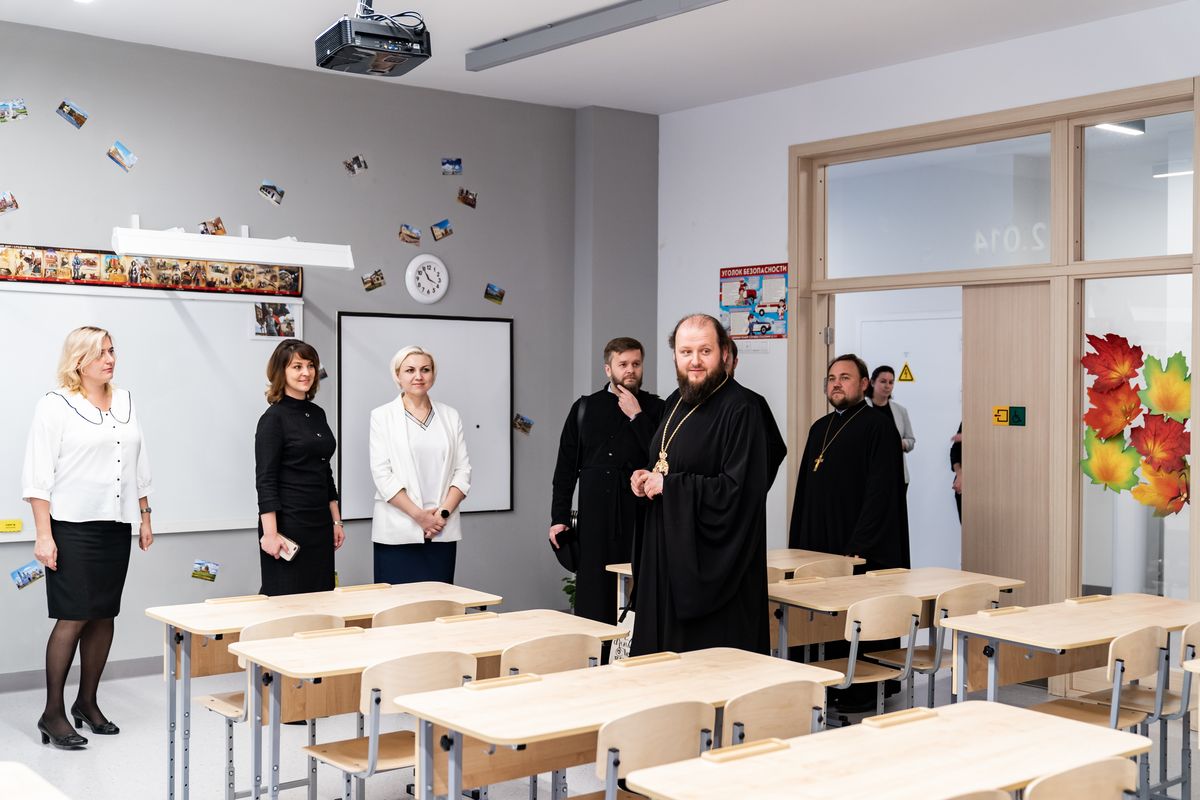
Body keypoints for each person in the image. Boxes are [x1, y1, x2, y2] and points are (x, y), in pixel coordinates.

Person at [22, 326, 154, 748]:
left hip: (115, 525)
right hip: (71, 527)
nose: (109, 359)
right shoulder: (55, 404)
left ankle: (87, 703)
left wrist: (145, 516)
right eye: (99, 353)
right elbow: (38, 476)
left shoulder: (126, 400)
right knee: (73, 616)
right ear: (78, 360)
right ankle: (52, 713)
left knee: (103, 615)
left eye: (112, 350)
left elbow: (138, 464)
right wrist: (44, 535)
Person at [629, 314, 770, 656]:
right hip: (665, 553)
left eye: (705, 351)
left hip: (711, 567)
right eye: (685, 352)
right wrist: (646, 477)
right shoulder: (676, 401)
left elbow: (740, 491)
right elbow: (666, 461)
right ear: (675, 356)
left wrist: (670, 486)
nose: (694, 361)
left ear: (724, 353)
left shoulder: (742, 408)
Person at [549, 337, 664, 627]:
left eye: (636, 364)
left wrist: (637, 416)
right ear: (608, 369)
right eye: (623, 364)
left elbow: (662, 457)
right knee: (594, 594)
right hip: (595, 520)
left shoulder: (656, 408)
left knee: (642, 592)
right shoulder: (584, 408)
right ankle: (595, 651)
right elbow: (565, 469)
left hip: (641, 517)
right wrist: (559, 518)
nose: (630, 370)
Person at [789, 354, 909, 571]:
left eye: (844, 378)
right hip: (816, 542)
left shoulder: (879, 427)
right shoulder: (818, 428)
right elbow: (803, 492)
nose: (836, 384)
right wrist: (798, 541)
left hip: (857, 547)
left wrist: (860, 544)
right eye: (831, 378)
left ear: (864, 384)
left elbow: (882, 495)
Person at [369, 346, 471, 584]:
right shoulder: (382, 416)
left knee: (439, 601)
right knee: (397, 603)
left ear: (433, 374)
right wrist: (419, 516)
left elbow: (463, 471)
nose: (418, 376)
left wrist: (441, 515)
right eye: (410, 370)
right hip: (397, 531)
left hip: (441, 530)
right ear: (397, 375)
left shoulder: (450, 415)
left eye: (425, 370)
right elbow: (382, 474)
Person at [254, 339, 344, 596]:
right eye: (297, 366)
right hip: (288, 526)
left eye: (310, 366)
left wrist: (336, 521)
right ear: (281, 371)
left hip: (320, 524)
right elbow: (265, 480)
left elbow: (325, 471)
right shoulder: (273, 419)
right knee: (288, 602)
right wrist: (270, 534)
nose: (306, 372)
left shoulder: (317, 413)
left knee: (321, 600)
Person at [726, 339, 786, 488]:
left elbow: (776, 449)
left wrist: (755, 489)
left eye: (726, 358)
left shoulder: (753, 402)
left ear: (735, 362)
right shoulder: (687, 401)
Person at [865, 365, 916, 490]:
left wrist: (901, 443)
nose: (887, 386)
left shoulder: (900, 411)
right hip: (869, 475)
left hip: (897, 475)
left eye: (891, 382)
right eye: (883, 381)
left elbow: (911, 440)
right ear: (872, 382)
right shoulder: (861, 408)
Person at [951, 423, 963, 521]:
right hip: (964, 483)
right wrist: (959, 474)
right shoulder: (968, 419)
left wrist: (970, 437)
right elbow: (954, 451)